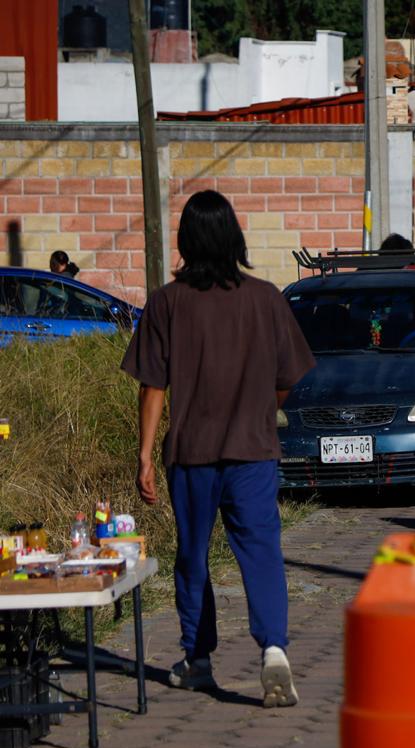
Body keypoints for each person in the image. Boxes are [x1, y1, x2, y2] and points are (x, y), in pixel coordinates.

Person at [121, 190, 315, 707]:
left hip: (192, 454)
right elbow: (287, 379)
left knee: (192, 557)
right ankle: (273, 649)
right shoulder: (267, 298)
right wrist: (259, 407)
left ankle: (198, 658)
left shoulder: (167, 302)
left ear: (185, 241)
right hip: (253, 451)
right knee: (261, 552)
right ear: (235, 237)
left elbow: (152, 387)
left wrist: (144, 455)